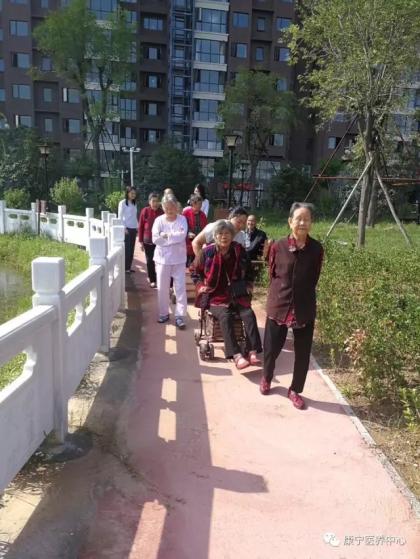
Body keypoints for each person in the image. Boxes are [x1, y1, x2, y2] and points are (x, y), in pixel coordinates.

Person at [260, 202, 324, 410]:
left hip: (304, 306)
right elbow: (272, 273)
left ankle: (295, 389)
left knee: (303, 353)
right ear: (290, 222)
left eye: (307, 219)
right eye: (299, 219)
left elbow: (314, 276)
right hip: (279, 303)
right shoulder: (278, 246)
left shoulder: (316, 249)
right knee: (271, 348)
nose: (302, 223)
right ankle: (267, 377)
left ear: (311, 223)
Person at [192, 220, 262, 369]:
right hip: (215, 295)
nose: (224, 236)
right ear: (215, 236)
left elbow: (249, 271)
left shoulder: (239, 251)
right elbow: (194, 271)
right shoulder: (207, 252)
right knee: (225, 315)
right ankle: (236, 355)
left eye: (227, 233)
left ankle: (252, 351)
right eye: (220, 233)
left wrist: (249, 285)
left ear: (232, 235)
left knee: (248, 314)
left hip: (237, 293)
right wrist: (201, 286)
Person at [152, 194, 188, 329]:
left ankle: (180, 316)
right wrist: (171, 238)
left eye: (172, 207)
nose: (169, 210)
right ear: (163, 207)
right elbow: (155, 239)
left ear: (176, 206)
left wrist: (165, 237)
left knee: (180, 288)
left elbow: (181, 236)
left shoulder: (182, 219)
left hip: (179, 259)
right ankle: (164, 313)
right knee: (162, 288)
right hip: (162, 259)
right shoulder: (158, 220)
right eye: (166, 208)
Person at [138, 192, 163, 288]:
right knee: (149, 261)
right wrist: (140, 241)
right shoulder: (145, 211)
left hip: (159, 241)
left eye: (157, 201)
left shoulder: (162, 212)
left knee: (160, 261)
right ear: (149, 202)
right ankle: (152, 279)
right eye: (153, 201)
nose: (155, 203)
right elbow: (140, 226)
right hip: (147, 241)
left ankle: (160, 278)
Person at [182, 194, 208, 266]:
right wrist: (188, 233)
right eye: (198, 204)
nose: (200, 206)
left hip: (199, 241)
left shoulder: (203, 214)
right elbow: (181, 226)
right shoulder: (186, 213)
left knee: (198, 261)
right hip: (188, 242)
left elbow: (205, 227)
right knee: (188, 263)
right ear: (193, 204)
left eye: (201, 204)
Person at [118, 186, 138, 273]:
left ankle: (128, 268)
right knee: (127, 249)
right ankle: (125, 268)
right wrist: (124, 228)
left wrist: (137, 227)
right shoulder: (122, 203)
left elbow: (134, 216)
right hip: (127, 229)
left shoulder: (134, 203)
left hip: (133, 228)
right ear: (127, 193)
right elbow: (120, 216)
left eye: (134, 193)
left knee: (132, 249)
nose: (133, 195)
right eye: (132, 193)